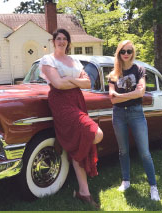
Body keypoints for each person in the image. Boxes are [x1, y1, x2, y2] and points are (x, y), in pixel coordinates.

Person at [39, 28, 103, 208]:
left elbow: (88, 83)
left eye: (64, 39)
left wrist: (68, 79)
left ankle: (84, 192)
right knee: (95, 134)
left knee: (81, 139)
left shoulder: (75, 59)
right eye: (58, 38)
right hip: (60, 102)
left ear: (68, 42)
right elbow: (57, 84)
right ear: (53, 41)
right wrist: (75, 81)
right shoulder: (47, 60)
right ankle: (67, 144)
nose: (61, 41)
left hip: (77, 100)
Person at [108, 40, 160, 201]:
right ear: (118, 53)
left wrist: (121, 96)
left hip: (136, 113)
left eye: (129, 51)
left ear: (133, 53)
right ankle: (126, 181)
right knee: (123, 151)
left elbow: (141, 92)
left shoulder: (139, 70)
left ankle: (153, 187)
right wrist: (124, 96)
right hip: (118, 115)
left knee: (144, 152)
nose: (126, 54)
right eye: (123, 51)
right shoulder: (113, 74)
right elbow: (112, 100)